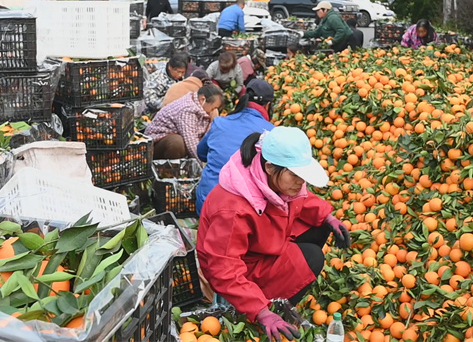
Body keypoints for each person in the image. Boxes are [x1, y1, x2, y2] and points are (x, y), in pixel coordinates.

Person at [197, 127, 351, 342]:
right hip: (240, 270)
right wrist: (261, 312)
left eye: (303, 175)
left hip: (261, 247)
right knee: (312, 257)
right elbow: (223, 269)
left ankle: (277, 296)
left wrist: (328, 217)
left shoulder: (271, 177)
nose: (301, 182)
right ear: (269, 167)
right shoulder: (233, 209)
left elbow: (301, 199)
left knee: (320, 226)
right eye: (295, 175)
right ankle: (265, 311)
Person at [196, 79, 276, 214]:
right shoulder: (270, 133)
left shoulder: (220, 122)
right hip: (243, 212)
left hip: (206, 203)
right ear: (268, 105)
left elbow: (201, 153)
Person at [145, 85, 224, 160]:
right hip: (155, 144)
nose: (212, 111)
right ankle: (170, 168)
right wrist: (202, 165)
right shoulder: (187, 109)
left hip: (173, 138)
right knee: (177, 142)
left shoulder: (198, 106)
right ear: (202, 99)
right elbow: (191, 142)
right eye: (213, 108)